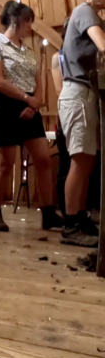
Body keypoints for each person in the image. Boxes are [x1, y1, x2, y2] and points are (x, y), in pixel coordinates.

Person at [0, 1, 63, 232]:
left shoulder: (28, 51)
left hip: (30, 108)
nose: (30, 26)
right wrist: (28, 100)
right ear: (16, 20)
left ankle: (48, 213)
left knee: (44, 159)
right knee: (6, 163)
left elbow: (38, 81)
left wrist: (35, 103)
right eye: (28, 21)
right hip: (4, 107)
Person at [57, 0, 105, 247]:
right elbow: (102, 45)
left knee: (87, 161)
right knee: (80, 160)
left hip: (86, 94)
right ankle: (71, 225)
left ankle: (81, 216)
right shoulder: (84, 11)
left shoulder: (93, 15)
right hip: (78, 93)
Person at [52, 18, 101, 221]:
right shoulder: (60, 57)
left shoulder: (86, 58)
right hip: (71, 108)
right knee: (71, 163)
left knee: (88, 162)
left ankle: (82, 214)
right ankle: (70, 217)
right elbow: (59, 88)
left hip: (88, 105)